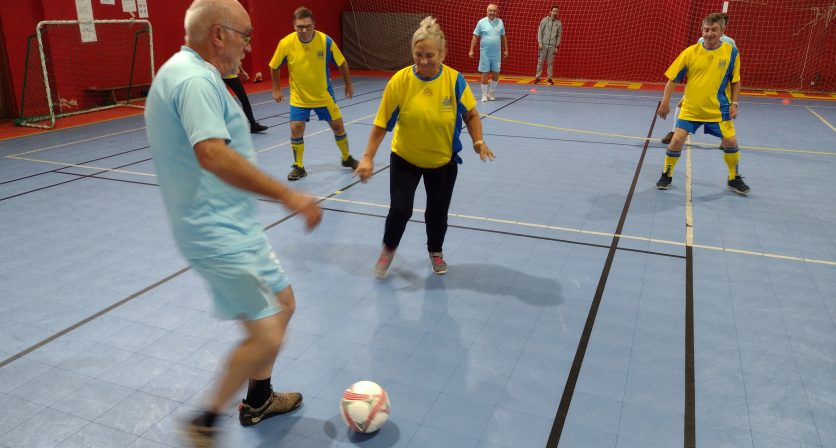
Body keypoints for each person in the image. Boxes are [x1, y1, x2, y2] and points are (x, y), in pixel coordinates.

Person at [144, 0, 323, 446]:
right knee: (263, 334)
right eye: (245, 35)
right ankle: (204, 422)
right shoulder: (192, 80)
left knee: (283, 304)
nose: (249, 45)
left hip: (237, 226)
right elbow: (213, 154)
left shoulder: (199, 74)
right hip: (214, 231)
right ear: (219, 34)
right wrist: (287, 194)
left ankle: (259, 399)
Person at [356, 16, 496, 279]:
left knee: (437, 213)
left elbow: (472, 115)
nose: (423, 61)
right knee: (400, 209)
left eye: (429, 55)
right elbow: (380, 125)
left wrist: (478, 141)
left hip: (442, 162)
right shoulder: (400, 81)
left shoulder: (454, 80)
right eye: (418, 54)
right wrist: (367, 157)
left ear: (442, 54)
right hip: (405, 159)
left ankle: (435, 251)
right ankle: (388, 248)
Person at [656, 12, 750, 195]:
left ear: (723, 30)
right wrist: (665, 103)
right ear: (702, 31)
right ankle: (666, 174)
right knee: (676, 140)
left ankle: (733, 178)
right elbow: (672, 80)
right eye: (706, 30)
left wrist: (735, 103)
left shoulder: (732, 53)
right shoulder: (690, 52)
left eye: (714, 30)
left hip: (719, 109)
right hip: (691, 108)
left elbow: (736, 81)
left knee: (730, 141)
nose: (709, 34)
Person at [269, 7, 358, 181]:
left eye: (307, 26)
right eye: (300, 26)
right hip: (299, 97)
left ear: (314, 25)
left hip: (323, 96)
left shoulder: (325, 41)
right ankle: (299, 166)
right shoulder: (286, 43)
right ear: (294, 25)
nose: (304, 30)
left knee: (338, 127)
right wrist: (276, 89)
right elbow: (274, 66)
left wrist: (348, 85)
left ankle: (346, 158)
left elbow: (342, 63)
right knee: (296, 129)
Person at [661, 12, 736, 144]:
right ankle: (674, 132)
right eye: (708, 28)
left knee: (722, 115)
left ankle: (725, 140)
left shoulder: (730, 44)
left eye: (715, 27)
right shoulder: (701, 41)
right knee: (682, 105)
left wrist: (733, 100)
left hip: (719, 88)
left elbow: (732, 68)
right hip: (699, 85)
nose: (710, 31)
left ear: (723, 27)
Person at [469, 4, 508, 102]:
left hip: (497, 54)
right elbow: (475, 37)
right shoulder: (481, 22)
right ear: (487, 11)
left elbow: (503, 37)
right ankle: (484, 94)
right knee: (485, 73)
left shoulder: (500, 22)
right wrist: (471, 50)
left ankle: (491, 93)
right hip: (485, 54)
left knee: (496, 73)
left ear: (497, 12)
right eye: (490, 10)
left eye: (494, 11)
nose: (492, 12)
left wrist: (506, 50)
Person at [223, 68, 268, 133]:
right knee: (221, 102)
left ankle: (253, 125)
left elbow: (235, 58)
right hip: (219, 76)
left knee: (244, 100)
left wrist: (243, 71)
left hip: (232, 76)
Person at [535, 5, 562, 85]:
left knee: (550, 63)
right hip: (543, 45)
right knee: (540, 62)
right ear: (550, 12)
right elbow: (540, 32)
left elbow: (559, 36)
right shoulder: (544, 20)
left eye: (556, 11)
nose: (555, 13)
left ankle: (549, 79)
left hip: (552, 46)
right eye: (553, 11)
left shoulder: (559, 23)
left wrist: (557, 46)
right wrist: (540, 42)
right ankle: (538, 78)